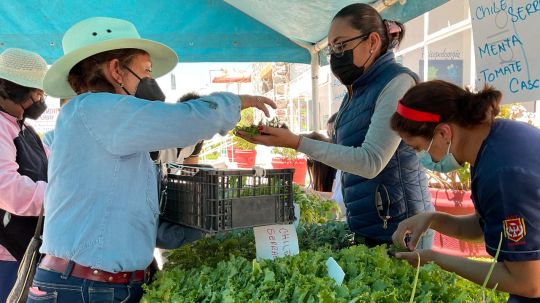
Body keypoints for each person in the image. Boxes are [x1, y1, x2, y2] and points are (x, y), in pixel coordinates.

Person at [29, 17, 275, 303]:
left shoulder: (105, 124)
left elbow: (129, 215)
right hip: (85, 287)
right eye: (145, 72)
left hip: (93, 284)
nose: (150, 82)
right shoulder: (96, 108)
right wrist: (238, 101)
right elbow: (185, 121)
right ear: (116, 71)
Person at [238, 3, 434, 247]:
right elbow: (347, 150)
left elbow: (370, 161)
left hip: (402, 226)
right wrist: (289, 137)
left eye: (341, 45)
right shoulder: (357, 90)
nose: (335, 56)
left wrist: (297, 143)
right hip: (371, 223)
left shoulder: (397, 83)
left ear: (372, 41)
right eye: (332, 49)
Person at [390, 80, 540, 302]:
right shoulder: (497, 139)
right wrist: (432, 219)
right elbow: (484, 227)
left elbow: (528, 283)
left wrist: (437, 259)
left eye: (418, 148)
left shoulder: (503, 172)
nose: (421, 158)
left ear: (443, 133)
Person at [0, 48, 49, 302]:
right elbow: (6, 188)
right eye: (38, 93)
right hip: (5, 249)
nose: (42, 100)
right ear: (16, 90)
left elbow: (55, 164)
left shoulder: (25, 128)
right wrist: (60, 197)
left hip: (25, 245)